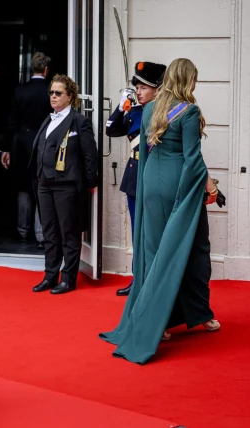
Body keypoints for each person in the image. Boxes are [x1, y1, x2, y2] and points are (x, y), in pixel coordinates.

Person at [99, 58, 221, 364]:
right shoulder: (189, 111)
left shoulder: (151, 108)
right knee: (195, 251)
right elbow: (192, 159)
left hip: (150, 187)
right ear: (188, 80)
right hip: (177, 189)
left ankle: (168, 321)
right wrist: (208, 190)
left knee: (155, 255)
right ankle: (180, 317)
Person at [29, 74, 98, 295]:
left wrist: (90, 182)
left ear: (70, 96)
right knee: (49, 232)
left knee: (68, 232)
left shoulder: (79, 121)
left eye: (58, 93)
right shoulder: (48, 119)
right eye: (51, 92)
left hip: (66, 184)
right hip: (44, 183)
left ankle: (68, 278)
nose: (53, 96)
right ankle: (50, 275)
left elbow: (90, 155)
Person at [106, 61, 166, 296]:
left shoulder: (161, 112)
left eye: (143, 88)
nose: (138, 92)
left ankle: (151, 279)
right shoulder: (135, 111)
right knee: (137, 231)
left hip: (152, 176)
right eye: (137, 88)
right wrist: (122, 107)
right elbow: (111, 129)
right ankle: (138, 278)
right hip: (134, 177)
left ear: (156, 90)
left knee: (152, 232)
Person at [1, 52, 53, 249]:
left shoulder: (19, 90)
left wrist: (6, 149)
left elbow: (11, 122)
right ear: (46, 70)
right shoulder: (51, 91)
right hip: (45, 143)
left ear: (32, 68)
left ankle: (23, 230)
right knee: (42, 187)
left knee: (23, 188)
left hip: (22, 144)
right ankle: (41, 235)